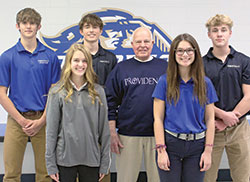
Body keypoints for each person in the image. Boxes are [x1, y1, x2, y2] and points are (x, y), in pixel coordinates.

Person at [0, 7, 61, 182]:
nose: (28, 26)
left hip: (44, 119)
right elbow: (2, 94)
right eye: (24, 23)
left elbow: (54, 93)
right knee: (11, 174)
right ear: (17, 26)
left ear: (39, 26)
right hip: (16, 120)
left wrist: (41, 121)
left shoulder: (50, 56)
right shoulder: (7, 57)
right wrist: (21, 120)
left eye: (32, 23)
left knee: (46, 174)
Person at [152, 33, 218, 182]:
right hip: (171, 144)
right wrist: (161, 150)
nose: (185, 54)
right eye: (180, 51)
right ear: (173, 54)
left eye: (189, 50)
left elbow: (210, 119)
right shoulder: (164, 82)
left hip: (197, 146)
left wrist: (208, 151)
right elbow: (158, 119)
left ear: (195, 53)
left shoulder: (205, 83)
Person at [105, 27, 167, 182]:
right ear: (132, 44)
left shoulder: (165, 68)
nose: (142, 45)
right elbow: (109, 101)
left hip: (158, 135)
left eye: (146, 41)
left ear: (153, 43)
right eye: (138, 42)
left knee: (158, 179)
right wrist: (112, 132)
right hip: (128, 135)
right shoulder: (121, 68)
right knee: (126, 179)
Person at [45, 43, 110, 182]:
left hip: (91, 159)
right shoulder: (57, 92)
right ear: (69, 62)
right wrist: (50, 165)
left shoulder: (98, 92)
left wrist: (105, 163)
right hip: (64, 160)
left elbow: (104, 131)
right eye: (76, 60)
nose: (80, 64)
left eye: (84, 61)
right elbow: (51, 131)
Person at [203, 14, 250, 182]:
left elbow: (249, 97)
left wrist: (228, 119)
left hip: (239, 129)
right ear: (209, 34)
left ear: (230, 33)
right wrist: (222, 117)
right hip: (211, 128)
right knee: (207, 177)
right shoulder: (201, 65)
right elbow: (200, 99)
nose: (219, 34)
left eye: (223, 30)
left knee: (242, 177)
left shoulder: (244, 61)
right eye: (215, 30)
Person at [79, 13, 117, 87]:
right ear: (81, 31)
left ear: (101, 31)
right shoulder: (74, 56)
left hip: (103, 98)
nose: (91, 30)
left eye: (95, 27)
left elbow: (114, 86)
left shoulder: (110, 58)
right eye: (87, 27)